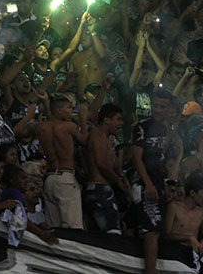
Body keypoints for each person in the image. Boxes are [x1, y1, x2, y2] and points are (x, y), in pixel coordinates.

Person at [132, 90, 181, 274]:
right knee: (151, 231)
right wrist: (149, 185)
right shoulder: (142, 127)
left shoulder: (170, 130)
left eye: (162, 106)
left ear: (169, 108)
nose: (158, 110)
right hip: (144, 183)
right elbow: (137, 160)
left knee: (157, 230)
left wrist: (169, 184)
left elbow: (168, 160)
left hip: (160, 182)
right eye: (155, 105)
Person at [39, 95, 88, 229]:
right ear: (59, 111)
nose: (71, 111)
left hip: (49, 179)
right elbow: (84, 141)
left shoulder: (42, 127)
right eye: (69, 108)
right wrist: (83, 120)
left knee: (54, 228)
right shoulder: (69, 126)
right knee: (73, 228)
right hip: (66, 179)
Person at [162, 173, 203, 274]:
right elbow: (165, 234)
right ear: (192, 193)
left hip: (192, 253)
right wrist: (189, 237)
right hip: (172, 252)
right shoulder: (174, 207)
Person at [84, 103, 129, 234]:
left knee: (99, 234)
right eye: (118, 119)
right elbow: (101, 163)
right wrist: (119, 182)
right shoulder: (98, 135)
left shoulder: (104, 138)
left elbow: (112, 165)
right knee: (112, 233)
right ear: (107, 120)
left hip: (97, 188)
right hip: (99, 189)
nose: (121, 123)